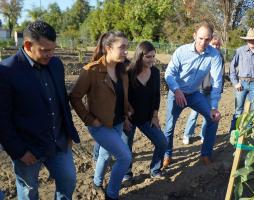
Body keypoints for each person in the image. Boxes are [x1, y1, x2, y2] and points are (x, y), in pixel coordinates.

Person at [0, 20, 80, 199]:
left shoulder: (56, 64)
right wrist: (19, 151)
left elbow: (62, 101)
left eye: (53, 49)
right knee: (29, 191)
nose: (50, 54)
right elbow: (2, 119)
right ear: (28, 45)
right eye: (45, 50)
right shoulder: (6, 71)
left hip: (58, 141)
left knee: (68, 179)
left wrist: (68, 131)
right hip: (28, 148)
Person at [69, 31, 132, 200]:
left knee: (104, 155)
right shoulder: (92, 70)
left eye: (127, 47)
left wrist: (126, 117)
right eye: (122, 47)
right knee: (125, 157)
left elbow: (122, 98)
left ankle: (97, 182)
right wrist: (89, 119)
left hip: (117, 123)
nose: (126, 51)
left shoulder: (122, 71)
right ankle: (112, 195)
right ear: (108, 48)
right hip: (100, 126)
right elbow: (75, 97)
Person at [163, 21, 223, 167]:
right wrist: (176, 90)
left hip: (195, 94)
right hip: (177, 93)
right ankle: (167, 155)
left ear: (211, 38)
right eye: (201, 38)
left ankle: (206, 154)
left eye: (207, 39)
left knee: (213, 118)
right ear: (194, 35)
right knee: (169, 126)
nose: (204, 42)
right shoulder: (181, 51)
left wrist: (214, 106)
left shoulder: (214, 55)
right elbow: (169, 74)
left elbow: (216, 81)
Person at [123, 41, 167, 181]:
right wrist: (124, 117)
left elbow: (156, 96)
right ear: (139, 56)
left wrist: (155, 115)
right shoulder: (128, 72)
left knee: (162, 142)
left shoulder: (155, 72)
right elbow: (122, 96)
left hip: (147, 118)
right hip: (129, 118)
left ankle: (155, 169)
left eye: (153, 56)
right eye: (148, 57)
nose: (152, 60)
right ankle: (127, 174)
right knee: (126, 148)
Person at [183, 35, 225, 145]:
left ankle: (203, 135)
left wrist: (219, 90)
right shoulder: (204, 56)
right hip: (200, 90)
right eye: (214, 45)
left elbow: (221, 76)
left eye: (218, 45)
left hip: (212, 92)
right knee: (194, 114)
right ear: (209, 44)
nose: (216, 47)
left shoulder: (220, 58)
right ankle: (187, 134)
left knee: (209, 116)